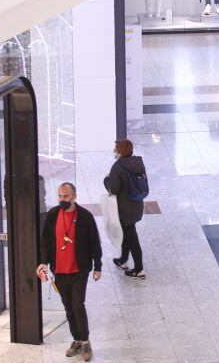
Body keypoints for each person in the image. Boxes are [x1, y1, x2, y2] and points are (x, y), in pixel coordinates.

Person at [36, 183, 102, 362]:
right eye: (59, 196)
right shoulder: (52, 215)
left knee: (78, 305)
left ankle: (86, 341)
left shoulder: (85, 217)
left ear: (74, 196)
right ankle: (77, 340)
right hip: (60, 271)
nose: (61, 200)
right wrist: (43, 262)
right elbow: (45, 242)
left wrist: (98, 266)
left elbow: (95, 241)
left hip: (79, 270)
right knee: (68, 307)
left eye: (65, 196)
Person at [104, 139, 147, 279]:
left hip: (124, 208)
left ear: (120, 151)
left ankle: (139, 269)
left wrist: (106, 180)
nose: (114, 151)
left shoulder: (118, 167)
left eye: (116, 148)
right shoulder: (137, 163)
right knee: (128, 232)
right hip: (136, 205)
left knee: (132, 237)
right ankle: (123, 260)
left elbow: (113, 190)